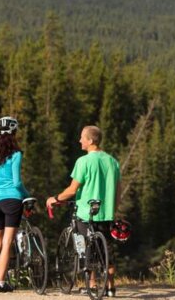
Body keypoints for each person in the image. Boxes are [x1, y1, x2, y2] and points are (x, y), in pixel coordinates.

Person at [46, 125, 121, 297]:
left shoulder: (83, 161)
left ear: (90, 140)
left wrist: (55, 198)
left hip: (86, 213)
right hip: (106, 213)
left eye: (82, 137)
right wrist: (113, 210)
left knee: (87, 247)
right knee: (107, 251)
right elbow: (118, 191)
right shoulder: (113, 162)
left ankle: (92, 285)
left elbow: (72, 190)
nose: (80, 140)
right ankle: (110, 288)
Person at [0, 116, 30, 293]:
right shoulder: (16, 154)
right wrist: (27, 195)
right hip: (13, 200)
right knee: (7, 242)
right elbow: (17, 182)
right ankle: (1, 283)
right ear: (14, 132)